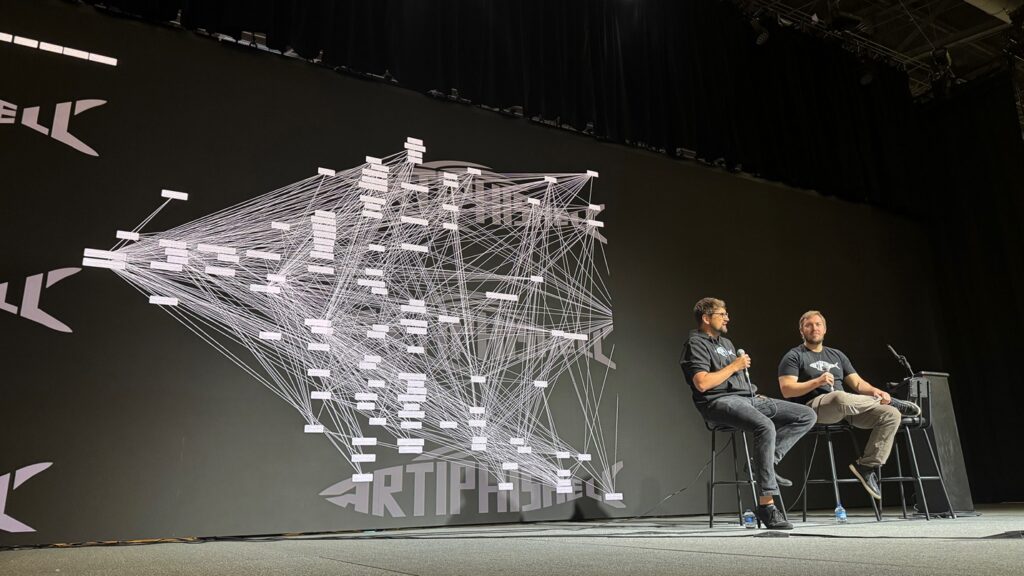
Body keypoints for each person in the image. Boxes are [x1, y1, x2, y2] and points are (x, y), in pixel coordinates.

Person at [681, 297, 816, 530]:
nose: (727, 318)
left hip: (747, 398)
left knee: (807, 415)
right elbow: (702, 383)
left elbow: (734, 378)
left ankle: (765, 463)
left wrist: (751, 392)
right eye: (722, 314)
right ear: (706, 318)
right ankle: (767, 505)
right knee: (765, 426)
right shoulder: (696, 343)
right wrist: (735, 365)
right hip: (718, 403)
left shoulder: (727, 343)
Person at [777, 310, 921, 500]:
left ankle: (867, 467)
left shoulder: (836, 355)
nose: (814, 328)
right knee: (839, 397)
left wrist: (876, 392)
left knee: (891, 414)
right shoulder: (794, 355)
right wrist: (817, 382)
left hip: (847, 409)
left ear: (825, 329)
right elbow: (787, 390)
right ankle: (894, 402)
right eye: (809, 325)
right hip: (814, 408)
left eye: (818, 324)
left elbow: (859, 384)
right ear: (801, 331)